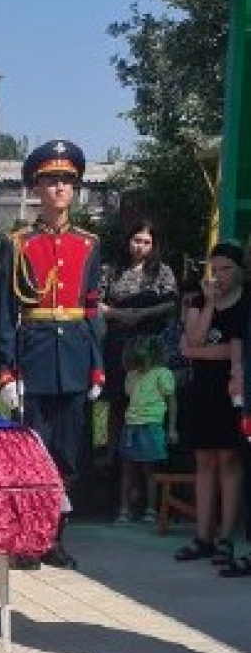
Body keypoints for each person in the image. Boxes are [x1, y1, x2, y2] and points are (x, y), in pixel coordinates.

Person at [0, 139, 104, 569]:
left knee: (68, 454)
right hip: (34, 354)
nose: (59, 188)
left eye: (66, 181)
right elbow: (5, 311)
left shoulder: (89, 244)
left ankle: (54, 538)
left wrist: (96, 367)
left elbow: (92, 309)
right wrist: (5, 370)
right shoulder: (17, 243)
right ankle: (26, 538)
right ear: (36, 188)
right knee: (31, 453)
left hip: (74, 355)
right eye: (51, 180)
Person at [175, 242, 248, 568]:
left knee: (229, 461)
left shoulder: (246, 302)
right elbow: (190, 342)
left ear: (240, 270)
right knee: (204, 461)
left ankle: (226, 537)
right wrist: (210, 304)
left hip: (231, 389)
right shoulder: (199, 298)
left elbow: (232, 350)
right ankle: (202, 535)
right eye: (214, 269)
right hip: (201, 388)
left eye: (226, 269)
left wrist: (198, 352)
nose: (219, 276)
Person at [98, 220, 177, 465]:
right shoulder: (113, 269)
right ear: (128, 241)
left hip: (149, 346)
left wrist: (144, 314)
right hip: (118, 342)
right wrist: (118, 314)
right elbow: (95, 301)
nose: (141, 246)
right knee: (118, 401)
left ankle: (146, 457)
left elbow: (172, 301)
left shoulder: (162, 271)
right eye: (137, 240)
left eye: (146, 242)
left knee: (147, 400)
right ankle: (113, 454)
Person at [114, 335, 178, 525]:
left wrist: (172, 428)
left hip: (152, 424)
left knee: (150, 469)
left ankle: (151, 509)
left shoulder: (163, 373)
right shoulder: (131, 374)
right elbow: (129, 395)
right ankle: (124, 509)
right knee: (128, 468)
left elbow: (172, 402)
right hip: (131, 424)